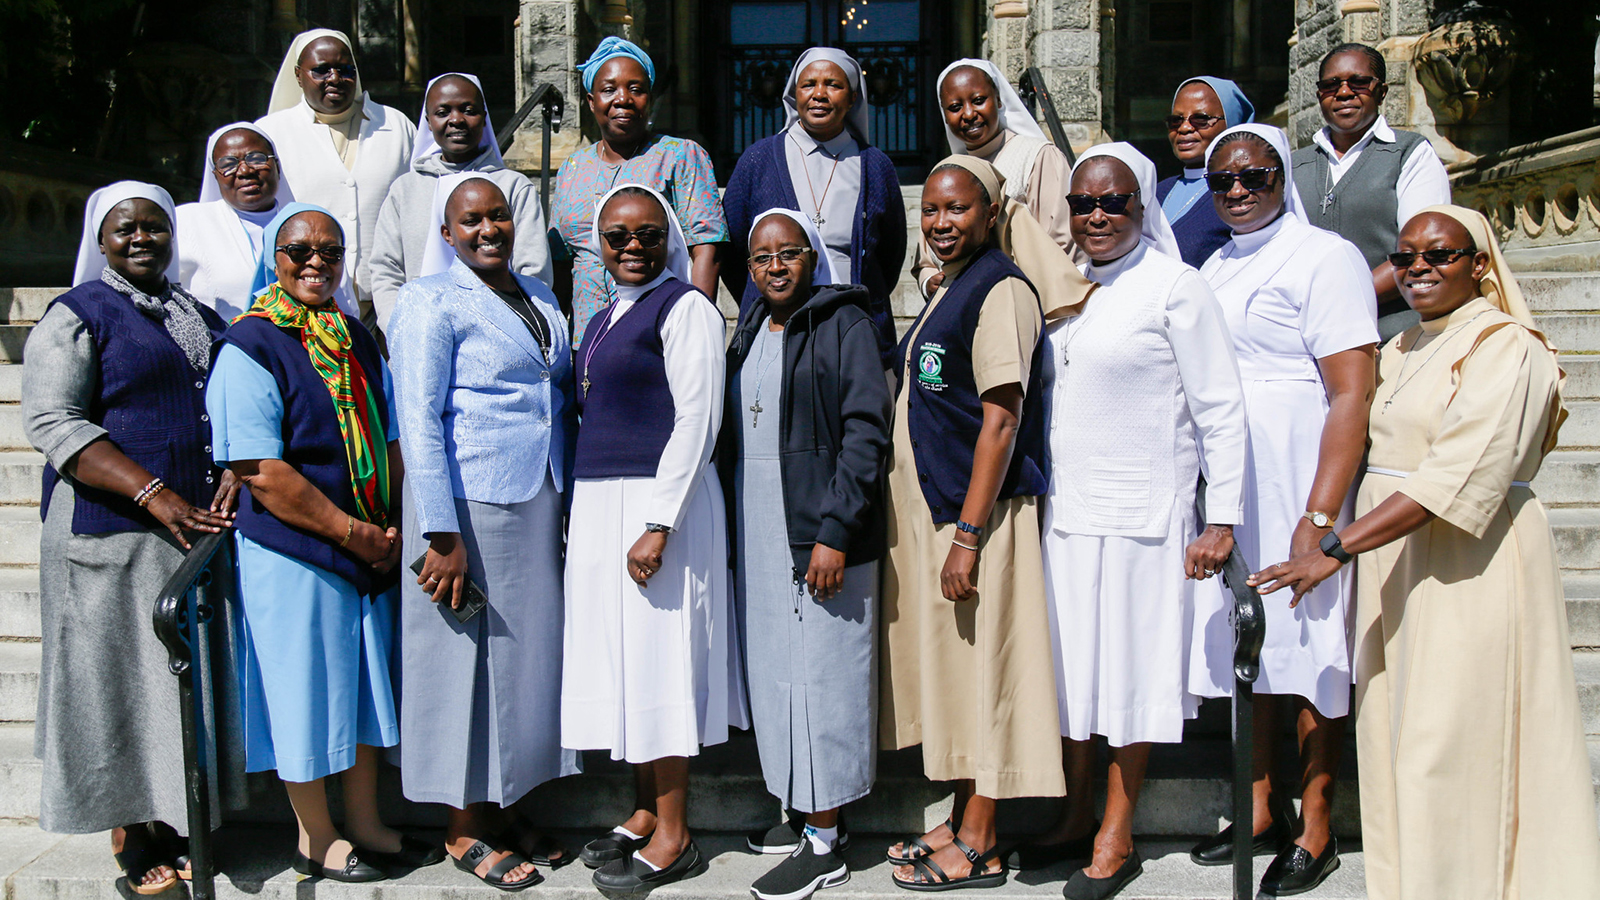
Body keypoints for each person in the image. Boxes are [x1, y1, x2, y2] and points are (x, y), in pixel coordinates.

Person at [1251, 204, 1600, 900]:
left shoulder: (1508, 346)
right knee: (1395, 736)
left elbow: (1458, 475)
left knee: (1453, 738)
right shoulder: (1406, 345)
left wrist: (1335, 545)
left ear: (1479, 263)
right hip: (1395, 558)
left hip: (1470, 559)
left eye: (1439, 256)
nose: (1418, 270)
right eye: (1406, 257)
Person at [1030, 144, 1247, 900]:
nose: (1094, 215)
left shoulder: (1175, 287)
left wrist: (1220, 520)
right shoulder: (1066, 286)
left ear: (1141, 204)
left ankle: (1117, 832)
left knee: (1128, 677)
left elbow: (1221, 409)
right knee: (1076, 674)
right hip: (1069, 516)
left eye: (1111, 202)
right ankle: (1072, 813)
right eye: (1082, 203)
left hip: (1144, 520)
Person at [208, 202, 436, 882]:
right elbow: (261, 470)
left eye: (330, 252)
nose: (315, 262)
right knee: (306, 691)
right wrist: (353, 532)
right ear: (272, 261)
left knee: (366, 686)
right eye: (298, 251)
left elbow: (390, 432)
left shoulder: (353, 334)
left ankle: (365, 821)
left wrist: (390, 521)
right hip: (295, 548)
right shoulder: (250, 345)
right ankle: (315, 835)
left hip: (367, 544)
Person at [882, 156, 1089, 891]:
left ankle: (981, 840)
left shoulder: (1000, 289)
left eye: (957, 209)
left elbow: (1001, 420)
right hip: (945, 511)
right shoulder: (953, 285)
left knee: (990, 671)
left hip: (982, 519)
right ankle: (966, 808)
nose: (940, 223)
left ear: (993, 213)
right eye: (931, 211)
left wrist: (967, 537)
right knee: (964, 675)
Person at [25, 181, 236, 895]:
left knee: (167, 681)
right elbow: (54, 420)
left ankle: (172, 817)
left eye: (155, 226)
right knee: (112, 678)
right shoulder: (77, 314)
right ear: (100, 238)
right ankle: (131, 832)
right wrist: (153, 492)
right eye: (126, 229)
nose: (142, 238)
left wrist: (237, 466)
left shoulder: (197, 314)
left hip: (186, 531)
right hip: (107, 533)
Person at [1186, 123, 1378, 897]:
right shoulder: (1215, 264)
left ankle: (1319, 820)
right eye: (1221, 180)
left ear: (1280, 176)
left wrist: (1321, 513)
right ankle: (1259, 804)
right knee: (1252, 642)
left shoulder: (1325, 257)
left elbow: (1351, 392)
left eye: (1253, 176)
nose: (1236, 190)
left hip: (1301, 470)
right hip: (1234, 478)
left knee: (1312, 648)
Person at [388, 174, 578, 889]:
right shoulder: (429, 301)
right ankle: (461, 827)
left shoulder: (539, 297)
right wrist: (439, 530)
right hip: (467, 505)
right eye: (471, 221)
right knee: (463, 660)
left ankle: (503, 806)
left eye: (497, 216)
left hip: (536, 498)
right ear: (447, 233)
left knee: (521, 661)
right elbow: (419, 418)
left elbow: (551, 394)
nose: (487, 230)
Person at [560, 184, 745, 892]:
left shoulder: (687, 307)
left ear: (669, 236)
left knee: (660, 662)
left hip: (659, 507)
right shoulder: (606, 315)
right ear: (598, 246)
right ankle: (643, 810)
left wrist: (658, 522)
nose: (631, 246)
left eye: (645, 234)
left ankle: (676, 833)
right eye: (616, 236)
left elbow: (697, 419)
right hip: (606, 504)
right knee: (627, 660)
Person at [719, 208, 892, 900]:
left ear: (813, 259)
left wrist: (836, 532)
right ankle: (802, 807)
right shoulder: (752, 325)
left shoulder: (844, 322)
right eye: (761, 258)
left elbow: (864, 433)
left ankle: (826, 839)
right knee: (778, 675)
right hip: (760, 524)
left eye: (788, 253)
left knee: (823, 679)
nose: (774, 267)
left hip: (819, 530)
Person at [721, 49, 907, 369]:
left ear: (851, 98)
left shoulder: (875, 166)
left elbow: (890, 255)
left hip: (855, 337)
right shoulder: (758, 161)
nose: (819, 94)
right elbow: (733, 249)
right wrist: (765, 297)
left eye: (833, 84)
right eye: (809, 84)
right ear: (794, 95)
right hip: (775, 332)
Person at [549, 37, 727, 344]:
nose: (623, 99)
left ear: (650, 97)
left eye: (636, 89)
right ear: (591, 102)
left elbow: (706, 247)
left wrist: (698, 326)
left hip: (658, 335)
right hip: (587, 340)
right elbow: (562, 262)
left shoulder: (679, 155)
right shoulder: (572, 168)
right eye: (609, 90)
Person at [257, 28, 416, 332]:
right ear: (298, 75)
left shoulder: (396, 126)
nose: (334, 78)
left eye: (345, 69)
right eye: (321, 70)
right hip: (305, 300)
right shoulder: (273, 133)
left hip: (387, 299)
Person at [1291, 42, 1450, 342]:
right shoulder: (1294, 165)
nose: (1344, 92)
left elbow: (1420, 253)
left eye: (1359, 82)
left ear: (1382, 91)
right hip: (1308, 338)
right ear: (1319, 95)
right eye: (1331, 85)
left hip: (1395, 335)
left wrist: (1342, 302)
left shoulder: (1408, 155)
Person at [369, 72, 552, 335]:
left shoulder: (513, 186)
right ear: (428, 122)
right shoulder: (405, 189)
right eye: (443, 111)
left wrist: (511, 330)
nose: (456, 120)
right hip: (418, 331)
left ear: (484, 117)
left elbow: (533, 270)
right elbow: (386, 268)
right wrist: (399, 327)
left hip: (501, 334)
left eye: (468, 110)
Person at [911, 58, 1076, 300]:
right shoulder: (946, 173)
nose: (968, 114)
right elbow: (926, 258)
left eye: (978, 101)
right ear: (945, 116)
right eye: (955, 107)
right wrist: (928, 282)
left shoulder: (1037, 156)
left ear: (998, 101)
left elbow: (1062, 242)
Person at [177, 122, 359, 321]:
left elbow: (342, 302)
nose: (245, 170)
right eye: (228, 164)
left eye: (257, 159)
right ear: (215, 176)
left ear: (277, 167)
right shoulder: (188, 222)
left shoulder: (310, 226)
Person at [1155, 77, 1255, 267]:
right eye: (1176, 120)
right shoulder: (1157, 191)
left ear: (1232, 123)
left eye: (1201, 119)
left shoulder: (1246, 191)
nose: (1184, 128)